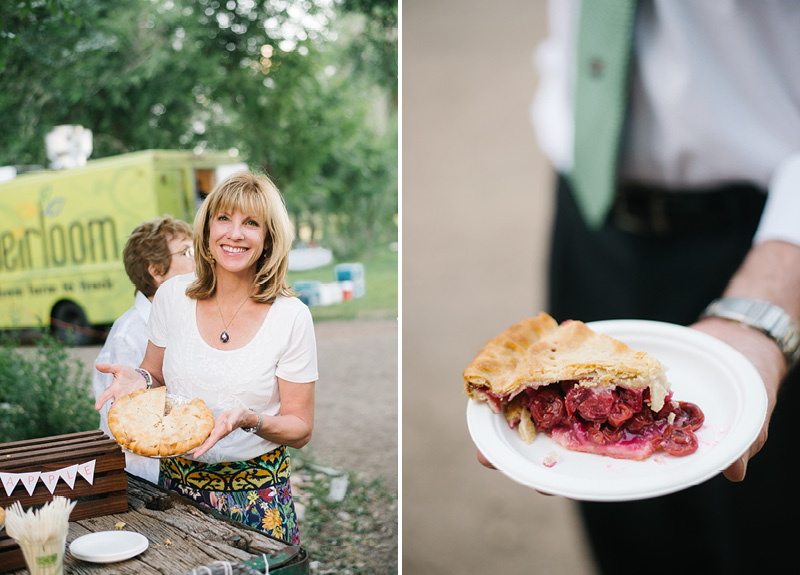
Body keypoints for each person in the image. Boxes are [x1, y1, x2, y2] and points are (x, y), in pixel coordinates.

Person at [478, 2, 799, 573]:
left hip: (770, 232)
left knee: (767, 524)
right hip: (591, 204)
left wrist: (770, 304)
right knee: (623, 532)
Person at [95, 172, 318, 545]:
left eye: (251, 223)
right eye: (224, 219)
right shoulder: (171, 295)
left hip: (257, 497)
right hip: (177, 493)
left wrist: (251, 419)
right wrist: (141, 380)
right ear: (207, 228)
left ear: (268, 239)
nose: (235, 233)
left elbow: (300, 427)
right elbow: (153, 374)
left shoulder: (291, 316)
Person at [93, 215, 194, 484]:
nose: (200, 259)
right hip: (148, 478)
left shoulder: (185, 317)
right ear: (157, 272)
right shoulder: (129, 333)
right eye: (187, 252)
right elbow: (133, 427)